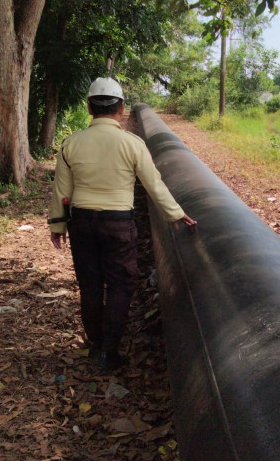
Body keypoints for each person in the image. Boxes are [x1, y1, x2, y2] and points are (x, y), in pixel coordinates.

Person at [49, 77, 196, 370]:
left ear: (89, 107)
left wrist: (57, 226)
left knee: (90, 285)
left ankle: (94, 345)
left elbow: (61, 190)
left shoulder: (71, 144)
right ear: (121, 109)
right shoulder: (132, 144)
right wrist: (176, 213)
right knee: (119, 286)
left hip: (81, 223)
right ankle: (109, 352)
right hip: (118, 224)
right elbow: (154, 184)